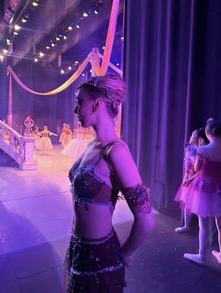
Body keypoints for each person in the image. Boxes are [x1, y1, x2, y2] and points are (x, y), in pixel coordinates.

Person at [65, 75, 155, 292]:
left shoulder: (117, 152)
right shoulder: (91, 146)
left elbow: (146, 220)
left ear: (96, 104)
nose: (76, 110)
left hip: (101, 259)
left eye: (80, 102)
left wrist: (123, 254)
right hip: (78, 248)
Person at [182, 119, 221, 265]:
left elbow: (198, 169)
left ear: (209, 133)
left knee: (203, 221)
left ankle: (201, 256)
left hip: (205, 189)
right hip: (220, 188)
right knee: (220, 223)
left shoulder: (203, 150)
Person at [175, 128, 209, 233]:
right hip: (190, 177)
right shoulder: (190, 149)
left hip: (199, 180)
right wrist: (186, 178)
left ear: (199, 138)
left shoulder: (203, 151)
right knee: (187, 202)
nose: (190, 136)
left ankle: (205, 231)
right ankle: (186, 225)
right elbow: (188, 166)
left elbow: (202, 170)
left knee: (199, 205)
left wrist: (190, 178)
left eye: (193, 135)